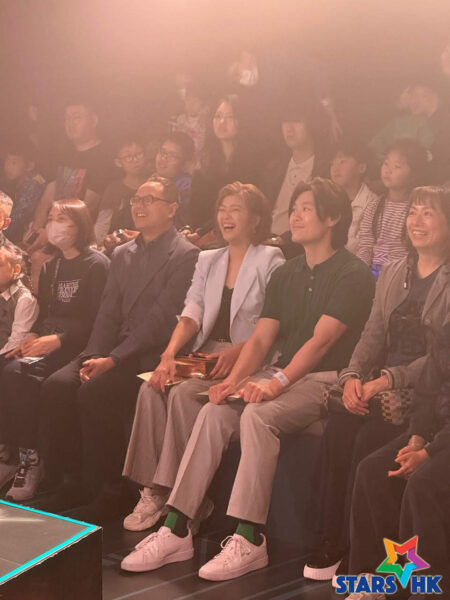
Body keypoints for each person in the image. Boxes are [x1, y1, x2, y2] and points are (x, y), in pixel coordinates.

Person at [120, 177, 375, 580]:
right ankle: (177, 526)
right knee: (213, 411)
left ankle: (249, 537)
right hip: (282, 373)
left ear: (333, 218)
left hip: (327, 379)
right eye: (294, 207)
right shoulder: (287, 272)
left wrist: (275, 383)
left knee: (258, 415)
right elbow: (261, 338)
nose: (296, 215)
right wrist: (233, 382)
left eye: (307, 208)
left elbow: (322, 342)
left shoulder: (353, 273)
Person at [304, 185, 450, 586]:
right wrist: (353, 377)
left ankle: (368, 557)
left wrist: (387, 380)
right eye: (412, 212)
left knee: (370, 440)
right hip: (382, 383)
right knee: (339, 428)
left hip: (417, 389)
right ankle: (333, 540)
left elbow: (438, 360)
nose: (416, 221)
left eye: (428, 213)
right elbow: (372, 333)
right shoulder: (394, 270)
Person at [122, 182, 284, 531]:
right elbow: (191, 311)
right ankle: (152, 491)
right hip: (205, 353)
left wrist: (237, 353)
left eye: (236, 209)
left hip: (247, 354)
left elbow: (271, 327)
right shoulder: (208, 258)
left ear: (256, 218)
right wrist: (169, 354)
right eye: (222, 209)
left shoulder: (270, 258)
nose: (226, 216)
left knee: (182, 394)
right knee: (151, 387)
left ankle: (182, 499)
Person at [39, 176, 200, 521]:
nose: (139, 206)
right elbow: (108, 310)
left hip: (150, 354)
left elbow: (160, 320)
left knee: (96, 392)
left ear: (172, 208)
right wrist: (92, 355)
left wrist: (112, 359)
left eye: (149, 200)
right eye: (136, 199)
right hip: (112, 348)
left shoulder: (186, 254)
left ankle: (111, 490)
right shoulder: (123, 252)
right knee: (58, 386)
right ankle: (72, 480)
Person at [0, 199, 109, 501]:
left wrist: (58, 340)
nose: (53, 225)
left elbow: (98, 318)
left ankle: (36, 463)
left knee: (37, 381)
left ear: (80, 225)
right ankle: (14, 456)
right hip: (49, 341)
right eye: (50, 218)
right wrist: (34, 334)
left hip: (80, 345)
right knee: (8, 368)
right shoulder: (51, 265)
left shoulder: (96, 264)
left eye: (62, 219)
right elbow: (47, 312)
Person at [348, 318, 450, 600]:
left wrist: (427, 453)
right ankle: (375, 578)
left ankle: (427, 590)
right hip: (434, 432)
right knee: (371, 470)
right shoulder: (446, 332)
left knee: (423, 484)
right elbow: (426, 394)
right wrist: (416, 439)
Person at [24, 100, 116, 255]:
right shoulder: (65, 153)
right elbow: (48, 195)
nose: (70, 124)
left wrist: (51, 232)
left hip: (78, 241)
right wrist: (35, 231)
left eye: (77, 118)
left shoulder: (104, 158)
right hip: (52, 231)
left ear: (93, 120)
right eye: (67, 118)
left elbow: (87, 206)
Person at [187, 95, 261, 242]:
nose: (222, 122)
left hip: (238, 234)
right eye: (218, 116)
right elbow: (195, 209)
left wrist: (203, 233)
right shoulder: (205, 160)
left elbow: (249, 207)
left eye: (230, 117)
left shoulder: (254, 162)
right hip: (201, 237)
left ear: (242, 121)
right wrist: (192, 231)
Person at [357, 139, 428, 279]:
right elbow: (366, 244)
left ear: (414, 174)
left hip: (405, 273)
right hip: (375, 272)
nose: (388, 170)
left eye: (397, 166)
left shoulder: (416, 210)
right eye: (386, 163)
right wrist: (360, 273)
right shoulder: (374, 206)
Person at [261, 100, 329, 240]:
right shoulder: (273, 168)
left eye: (297, 121)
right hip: (266, 240)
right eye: (285, 122)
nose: (289, 128)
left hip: (301, 243)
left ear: (311, 124)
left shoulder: (325, 170)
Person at [0, 240, 38, 489]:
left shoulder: (24, 299)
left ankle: (11, 455)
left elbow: (16, 340)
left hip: (11, 354)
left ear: (15, 270)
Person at [94, 136, 148, 246]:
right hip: (121, 244)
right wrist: (98, 245)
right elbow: (104, 222)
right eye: (128, 157)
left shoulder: (154, 184)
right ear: (118, 162)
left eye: (139, 154)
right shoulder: (114, 189)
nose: (135, 160)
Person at [330, 139, 379, 254]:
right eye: (332, 163)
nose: (335, 168)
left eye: (342, 162)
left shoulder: (372, 204)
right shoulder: (325, 198)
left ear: (361, 168)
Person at [1, 138, 46, 244]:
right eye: (7, 161)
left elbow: (17, 219)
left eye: (14, 163)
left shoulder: (34, 185)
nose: (8, 167)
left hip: (26, 238)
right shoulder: (18, 180)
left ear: (29, 166)